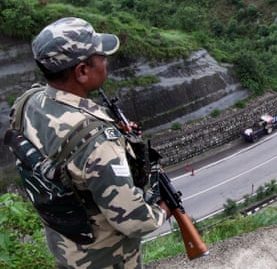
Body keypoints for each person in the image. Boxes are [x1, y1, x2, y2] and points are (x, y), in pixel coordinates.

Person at [9, 17, 169, 268]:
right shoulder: (98, 143)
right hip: (107, 259)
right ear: (82, 71)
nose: (106, 61)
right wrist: (163, 209)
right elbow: (136, 221)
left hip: (66, 249)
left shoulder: (27, 103)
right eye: (101, 57)